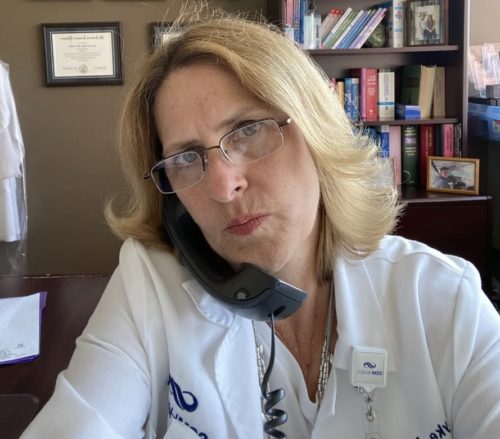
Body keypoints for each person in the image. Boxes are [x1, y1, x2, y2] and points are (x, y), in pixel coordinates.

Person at [22, 9, 500, 439]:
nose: (222, 186)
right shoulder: (149, 286)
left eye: (248, 130)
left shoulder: (442, 298)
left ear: (316, 131)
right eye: (186, 158)